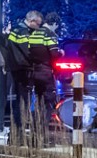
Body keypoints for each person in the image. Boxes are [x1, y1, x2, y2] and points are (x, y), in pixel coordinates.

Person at [5, 9, 59, 141]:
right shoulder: (24, 33)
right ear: (32, 21)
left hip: (17, 70)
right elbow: (29, 52)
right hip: (24, 71)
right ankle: (18, 136)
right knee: (23, 103)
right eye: (38, 24)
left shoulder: (15, 30)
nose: (39, 27)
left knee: (21, 102)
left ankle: (15, 135)